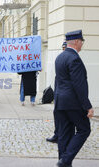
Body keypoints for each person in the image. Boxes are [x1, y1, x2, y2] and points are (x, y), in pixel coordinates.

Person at [54, 30, 94, 167]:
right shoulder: (74, 59)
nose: (82, 44)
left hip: (60, 101)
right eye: (82, 41)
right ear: (77, 42)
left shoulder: (60, 57)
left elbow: (58, 81)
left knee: (65, 133)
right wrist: (87, 106)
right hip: (73, 103)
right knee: (84, 129)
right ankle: (65, 160)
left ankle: (64, 161)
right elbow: (79, 85)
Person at [46, 41, 67, 144]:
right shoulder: (60, 59)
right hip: (59, 94)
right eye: (62, 48)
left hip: (67, 96)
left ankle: (64, 136)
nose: (63, 50)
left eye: (65, 48)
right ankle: (57, 134)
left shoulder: (72, 60)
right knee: (57, 114)